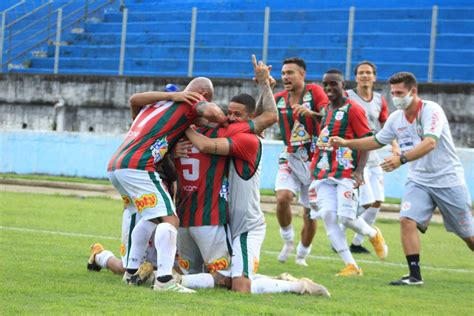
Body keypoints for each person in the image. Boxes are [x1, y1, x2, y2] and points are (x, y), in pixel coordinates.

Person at [179, 57, 330, 297]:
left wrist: (182, 124)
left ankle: (298, 286)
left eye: (237, 114)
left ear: (249, 120)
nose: (230, 118)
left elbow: (265, 117)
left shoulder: (248, 140)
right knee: (227, 277)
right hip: (225, 222)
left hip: (247, 225)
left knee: (240, 287)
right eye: (228, 113)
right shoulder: (232, 129)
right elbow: (257, 115)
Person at [330, 72, 474, 285]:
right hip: (418, 180)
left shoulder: (431, 110)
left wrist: (401, 159)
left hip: (448, 180)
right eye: (393, 93)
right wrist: (347, 143)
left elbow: (430, 143)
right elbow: (377, 141)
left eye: (399, 93)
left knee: (468, 235)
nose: (395, 97)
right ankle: (414, 276)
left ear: (413, 92)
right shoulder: (396, 118)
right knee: (406, 220)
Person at [107, 77, 227, 293]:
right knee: (170, 219)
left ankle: (131, 273)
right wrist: (200, 104)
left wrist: (173, 98)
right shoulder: (190, 102)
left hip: (117, 165)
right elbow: (215, 115)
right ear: (204, 95)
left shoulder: (157, 105)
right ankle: (164, 280)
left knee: (151, 217)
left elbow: (134, 99)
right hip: (140, 166)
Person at [308, 69, 388, 277]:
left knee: (346, 218)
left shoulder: (354, 109)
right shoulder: (326, 109)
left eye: (333, 84)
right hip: (324, 172)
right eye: (325, 85)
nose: (328, 88)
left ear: (343, 85)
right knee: (327, 215)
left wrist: (360, 171)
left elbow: (367, 141)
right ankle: (352, 265)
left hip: (346, 172)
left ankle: (372, 233)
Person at [273, 57, 329, 266]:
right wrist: (263, 86)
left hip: (316, 161)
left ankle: (302, 254)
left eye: (290, 73)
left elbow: (329, 116)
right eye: (283, 73)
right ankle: (287, 239)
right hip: (291, 157)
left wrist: (313, 114)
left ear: (302, 75)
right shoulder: (279, 98)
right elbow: (262, 113)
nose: (285, 77)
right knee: (282, 197)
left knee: (310, 212)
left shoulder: (314, 92)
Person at [345, 61, 393, 253]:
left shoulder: (380, 99)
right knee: (364, 201)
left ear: (374, 76)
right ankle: (342, 227)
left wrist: (394, 147)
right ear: (356, 77)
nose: (365, 76)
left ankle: (357, 242)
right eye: (361, 73)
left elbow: (386, 124)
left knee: (377, 201)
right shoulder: (347, 97)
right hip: (355, 155)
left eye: (368, 73)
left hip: (374, 155)